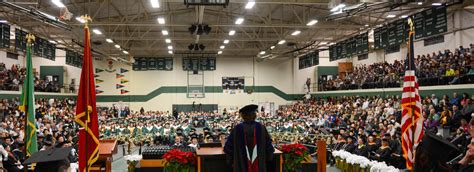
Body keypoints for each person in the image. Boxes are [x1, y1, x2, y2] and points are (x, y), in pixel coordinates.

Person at [224, 104, 274, 172]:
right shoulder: (261, 128)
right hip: (259, 165)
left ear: (243, 116)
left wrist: (231, 161)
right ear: (254, 115)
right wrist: (268, 159)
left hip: (241, 165)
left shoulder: (237, 129)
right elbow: (269, 147)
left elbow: (228, 147)